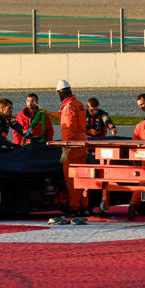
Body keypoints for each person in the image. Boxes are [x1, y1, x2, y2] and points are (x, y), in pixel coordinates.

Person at [55, 80, 88, 216]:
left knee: (71, 178)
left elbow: (68, 128)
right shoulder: (79, 104)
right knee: (84, 178)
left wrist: (65, 148)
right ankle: (84, 207)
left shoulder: (68, 107)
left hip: (72, 147)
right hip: (82, 145)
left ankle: (74, 208)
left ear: (59, 93)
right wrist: (51, 114)